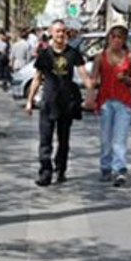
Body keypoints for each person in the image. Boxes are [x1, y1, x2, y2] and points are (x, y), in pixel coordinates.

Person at [25, 19, 93, 186]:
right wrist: (29, 100)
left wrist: (91, 94)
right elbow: (37, 78)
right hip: (48, 102)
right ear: (51, 33)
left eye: (63, 31)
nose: (61, 34)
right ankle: (45, 173)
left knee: (64, 140)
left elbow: (84, 75)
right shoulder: (45, 54)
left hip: (66, 103)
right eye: (57, 31)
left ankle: (61, 169)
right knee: (45, 140)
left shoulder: (73, 53)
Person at [90, 23, 131, 186]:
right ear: (109, 38)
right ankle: (105, 168)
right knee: (105, 138)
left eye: (120, 37)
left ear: (124, 40)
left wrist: (127, 79)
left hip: (124, 102)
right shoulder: (100, 57)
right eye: (113, 36)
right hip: (105, 102)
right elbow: (93, 79)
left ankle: (120, 170)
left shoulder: (130, 58)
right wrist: (90, 96)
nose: (116, 40)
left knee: (119, 138)